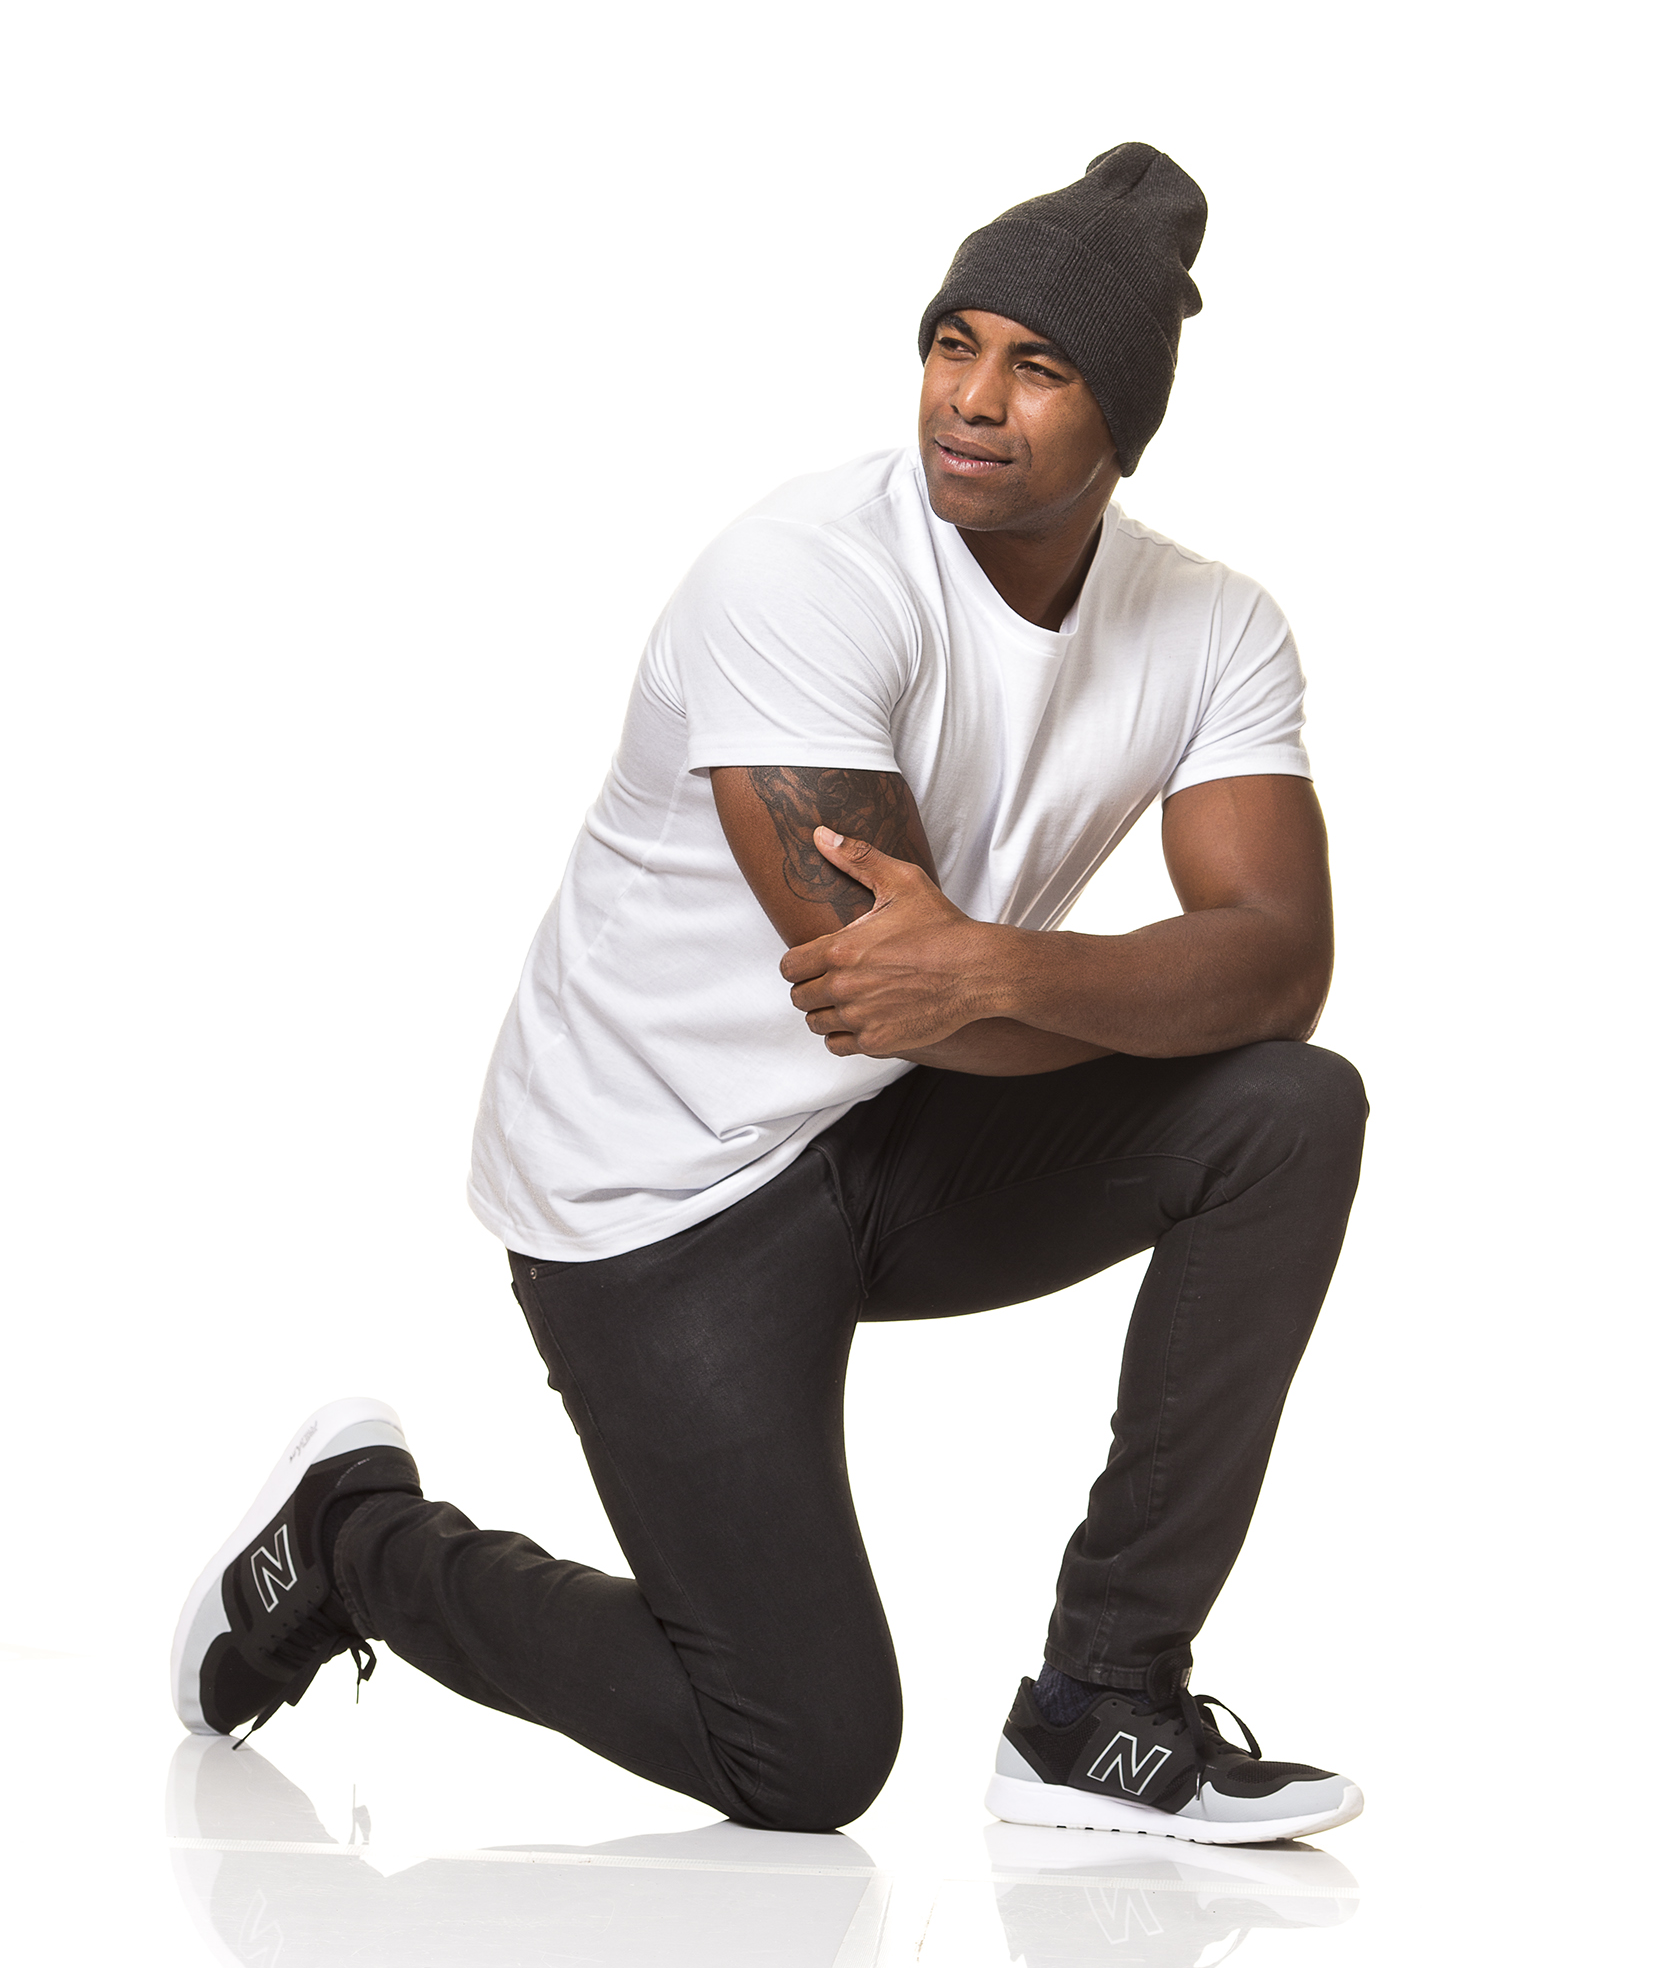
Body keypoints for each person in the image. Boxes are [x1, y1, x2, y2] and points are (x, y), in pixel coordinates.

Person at [172, 142, 1368, 1846]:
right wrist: (1041, 986)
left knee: (1288, 1113)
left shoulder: (1214, 629)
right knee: (802, 1755)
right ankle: (353, 1541)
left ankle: (1105, 1703)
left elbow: (1278, 966)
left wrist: (994, 963)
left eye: (1039, 366)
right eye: (952, 344)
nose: (972, 400)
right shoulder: (804, 575)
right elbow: (880, 996)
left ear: (1127, 416)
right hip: (653, 1186)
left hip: (889, 1135)